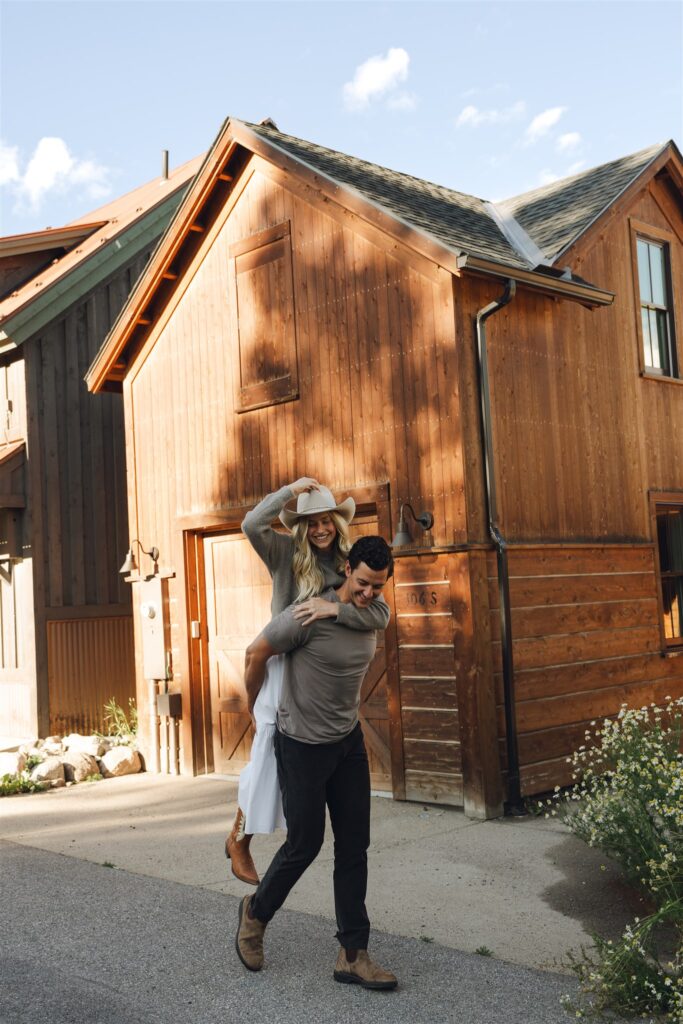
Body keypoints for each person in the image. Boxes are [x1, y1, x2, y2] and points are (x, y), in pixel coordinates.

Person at [235, 535, 398, 991]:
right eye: (363, 583)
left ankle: (353, 955)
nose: (369, 594)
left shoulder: (369, 613)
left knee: (354, 848)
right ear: (347, 569)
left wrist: (344, 608)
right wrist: (254, 705)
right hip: (302, 746)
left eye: (378, 588)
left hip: (347, 745)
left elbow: (379, 614)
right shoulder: (306, 613)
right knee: (304, 846)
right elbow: (255, 653)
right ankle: (254, 914)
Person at [225, 480, 390, 886]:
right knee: (265, 752)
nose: (320, 529)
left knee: (283, 764)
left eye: (327, 521)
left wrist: (333, 611)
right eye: (312, 522)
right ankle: (239, 838)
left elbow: (379, 613)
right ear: (300, 525)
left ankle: (246, 835)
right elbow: (250, 524)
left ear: (337, 522)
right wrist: (289, 491)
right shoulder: (283, 552)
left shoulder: (345, 563)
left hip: (317, 671)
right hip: (282, 661)